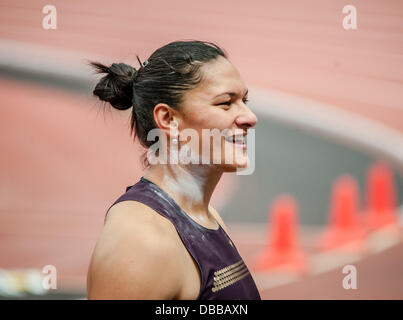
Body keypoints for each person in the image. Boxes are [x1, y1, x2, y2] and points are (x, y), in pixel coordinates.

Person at [86, 40, 260, 300]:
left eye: (244, 100)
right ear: (168, 119)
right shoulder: (142, 241)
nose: (249, 116)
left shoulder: (203, 215)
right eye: (226, 103)